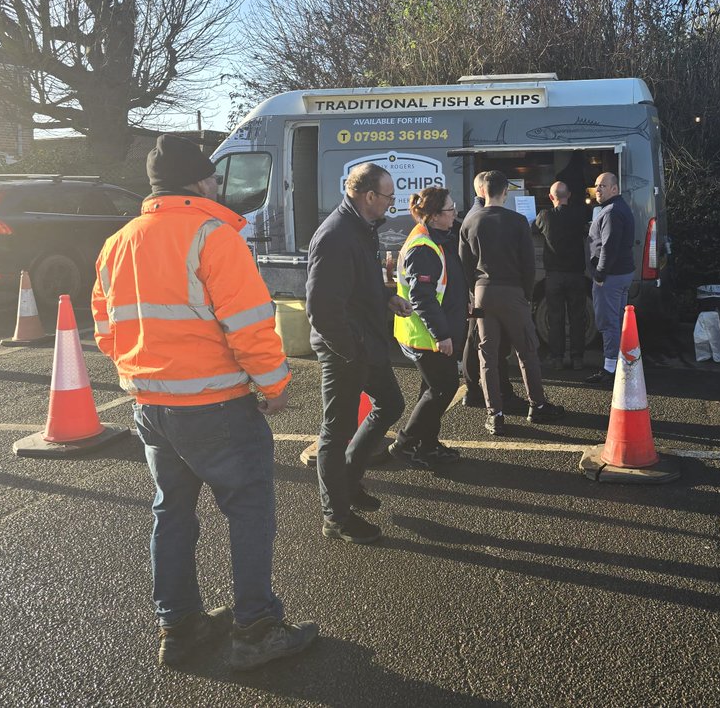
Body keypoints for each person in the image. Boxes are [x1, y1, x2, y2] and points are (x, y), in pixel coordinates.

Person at [92, 134, 317, 671]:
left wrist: (146, 371)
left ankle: (180, 626)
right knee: (249, 509)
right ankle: (256, 627)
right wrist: (275, 385)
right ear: (197, 182)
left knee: (171, 513)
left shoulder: (118, 240)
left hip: (150, 404)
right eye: (212, 176)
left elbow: (104, 328)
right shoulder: (213, 236)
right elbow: (249, 324)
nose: (218, 183)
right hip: (216, 404)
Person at [307, 162, 413, 545]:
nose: (392, 203)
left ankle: (348, 482)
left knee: (390, 404)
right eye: (388, 196)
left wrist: (388, 298)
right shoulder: (336, 235)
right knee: (336, 433)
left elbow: (360, 283)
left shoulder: (361, 228)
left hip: (365, 341)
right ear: (369, 196)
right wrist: (350, 349)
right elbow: (320, 307)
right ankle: (335, 517)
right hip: (345, 349)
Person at [459, 170, 564, 433]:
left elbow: (464, 266)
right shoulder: (518, 222)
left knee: (488, 355)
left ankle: (495, 414)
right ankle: (537, 406)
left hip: (483, 292)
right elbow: (528, 265)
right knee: (526, 351)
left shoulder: (470, 223)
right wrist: (526, 296)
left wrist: (472, 295)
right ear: (506, 191)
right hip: (513, 291)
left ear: (483, 191)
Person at [389, 187, 466, 468]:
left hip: (431, 332)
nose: (454, 212)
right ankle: (405, 443)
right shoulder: (423, 247)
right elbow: (422, 297)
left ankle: (427, 446)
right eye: (449, 209)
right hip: (426, 336)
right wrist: (442, 335)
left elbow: (444, 284)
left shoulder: (437, 238)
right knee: (443, 388)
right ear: (433, 216)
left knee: (432, 389)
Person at [459, 172, 520, 411]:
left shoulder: (472, 216)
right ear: (484, 191)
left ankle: (475, 391)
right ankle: (489, 392)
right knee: (488, 344)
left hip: (477, 291)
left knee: (478, 341)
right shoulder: (479, 217)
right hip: (483, 291)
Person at [585, 172, 635, 388]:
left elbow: (609, 246)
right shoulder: (618, 207)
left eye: (603, 186)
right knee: (618, 322)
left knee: (609, 323)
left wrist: (599, 274)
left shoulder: (612, 212)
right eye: (596, 185)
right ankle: (621, 363)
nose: (598, 189)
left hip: (611, 277)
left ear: (614, 189)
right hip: (622, 274)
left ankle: (609, 369)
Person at [532, 181, 588, 370]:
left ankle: (557, 358)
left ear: (550, 197)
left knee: (555, 317)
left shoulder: (545, 216)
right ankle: (577, 358)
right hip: (576, 274)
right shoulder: (580, 215)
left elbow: (533, 229)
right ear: (569, 195)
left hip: (554, 276)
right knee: (577, 317)